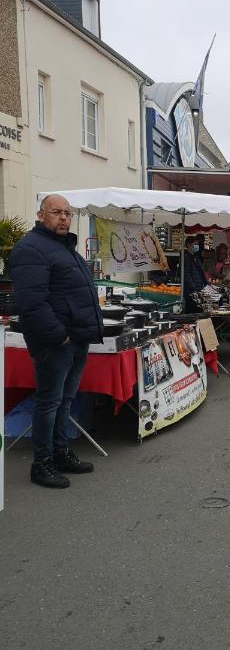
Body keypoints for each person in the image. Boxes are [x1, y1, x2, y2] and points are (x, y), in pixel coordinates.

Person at [8, 194, 103, 488]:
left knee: (65, 400)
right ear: (40, 215)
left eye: (67, 213)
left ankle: (61, 453)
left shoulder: (66, 249)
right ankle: (42, 463)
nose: (63, 218)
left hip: (77, 337)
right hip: (56, 342)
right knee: (49, 402)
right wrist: (58, 336)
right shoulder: (31, 249)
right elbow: (31, 303)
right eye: (56, 212)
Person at [183, 237, 209, 311]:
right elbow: (186, 274)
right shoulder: (186, 257)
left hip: (198, 288)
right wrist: (194, 287)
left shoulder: (195, 257)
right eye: (195, 244)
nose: (197, 246)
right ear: (188, 245)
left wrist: (206, 284)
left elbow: (201, 272)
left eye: (197, 244)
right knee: (193, 309)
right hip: (191, 291)